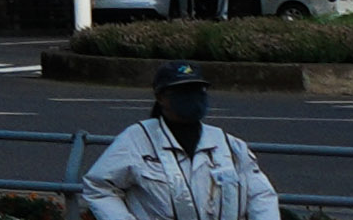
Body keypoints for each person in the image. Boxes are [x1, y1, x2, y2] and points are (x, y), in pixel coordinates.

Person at [81, 66, 279, 220]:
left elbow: (260, 195)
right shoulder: (137, 139)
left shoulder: (229, 145)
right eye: (183, 91)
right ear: (160, 97)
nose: (192, 96)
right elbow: (99, 187)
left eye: (197, 89)